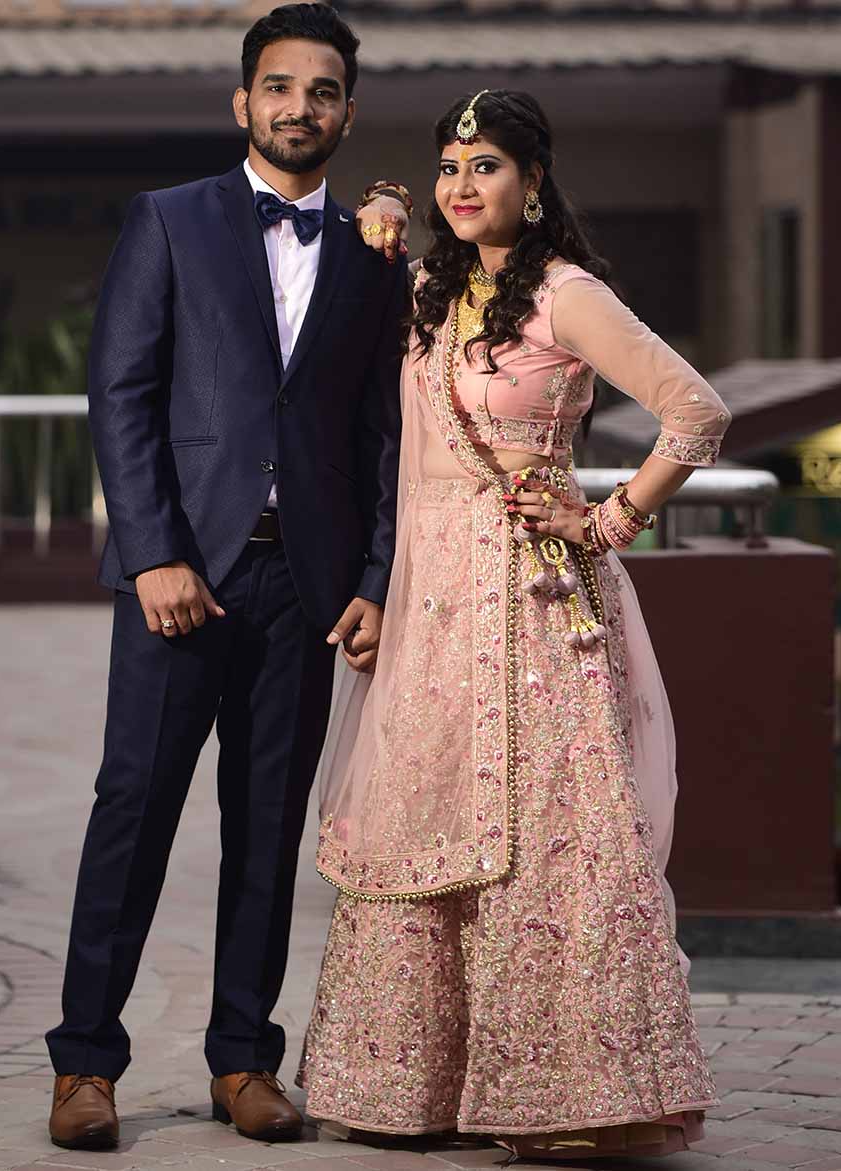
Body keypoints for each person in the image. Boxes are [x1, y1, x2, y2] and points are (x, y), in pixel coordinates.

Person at [300, 89, 729, 1158]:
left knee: (546, 829)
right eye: (449, 167)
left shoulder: (566, 294)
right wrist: (382, 200)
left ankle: (567, 1091)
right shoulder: (430, 291)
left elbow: (698, 411)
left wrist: (608, 519)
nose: (462, 185)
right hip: (430, 597)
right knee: (425, 816)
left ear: (532, 183)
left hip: (534, 602)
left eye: (485, 165)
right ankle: (414, 1087)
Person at [44, 4, 413, 1151]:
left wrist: (374, 576)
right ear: (243, 101)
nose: (301, 107)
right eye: (280, 87)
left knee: (268, 825)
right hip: (181, 577)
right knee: (133, 809)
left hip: (304, 588)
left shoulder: (373, 255)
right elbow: (121, 393)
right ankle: (85, 1064)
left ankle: (245, 1059)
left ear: (347, 112)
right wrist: (152, 550)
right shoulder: (167, 220)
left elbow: (383, 435)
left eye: (323, 91)